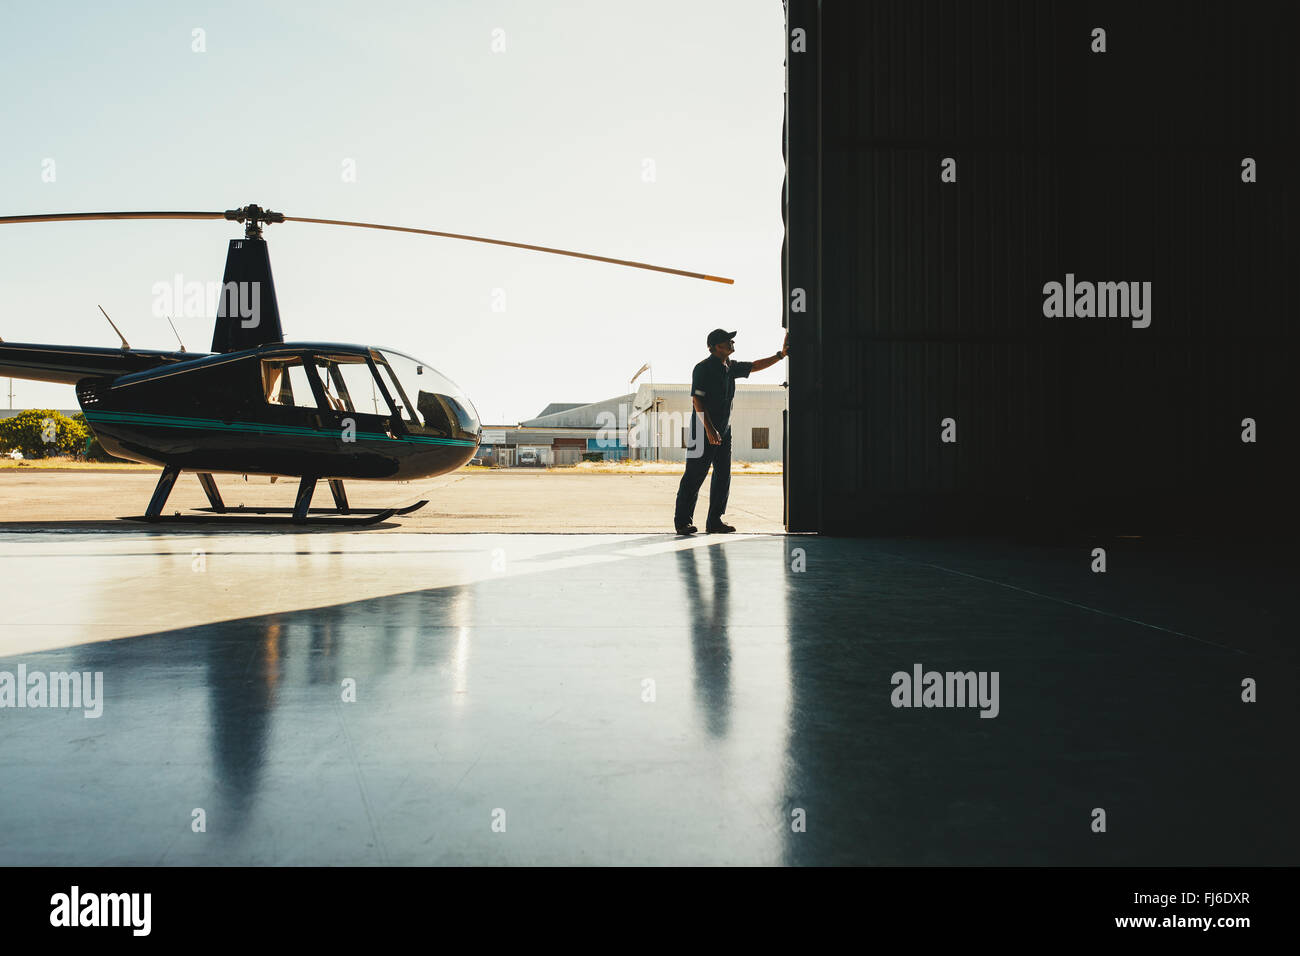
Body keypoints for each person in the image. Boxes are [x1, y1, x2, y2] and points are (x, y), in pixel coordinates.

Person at [673, 328, 787, 534]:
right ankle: (682, 523)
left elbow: (755, 366)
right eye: (728, 341)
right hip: (703, 431)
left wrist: (780, 355)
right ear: (716, 346)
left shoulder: (730, 367)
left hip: (724, 431)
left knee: (723, 475)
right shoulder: (703, 368)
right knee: (695, 475)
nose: (732, 344)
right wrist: (709, 429)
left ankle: (714, 521)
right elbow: (697, 400)